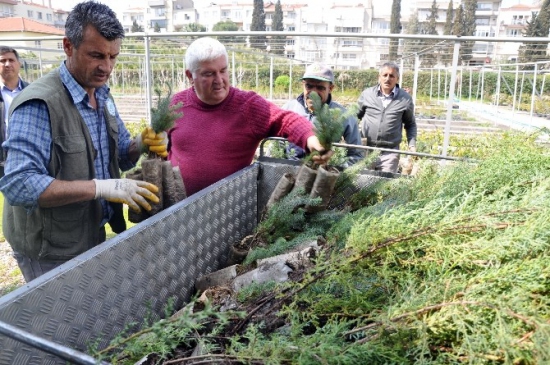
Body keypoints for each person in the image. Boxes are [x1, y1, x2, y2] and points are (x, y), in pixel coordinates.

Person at [0, 1, 166, 282]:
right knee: (58, 322)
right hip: (50, 249)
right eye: (96, 55)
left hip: (89, 232)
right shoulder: (39, 104)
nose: (107, 67)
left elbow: (119, 154)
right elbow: (19, 184)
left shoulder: (101, 94)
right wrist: (101, 188)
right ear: (68, 46)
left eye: (113, 56)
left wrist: (141, 143)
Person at [167, 37, 331, 197]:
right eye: (209, 74)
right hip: (177, 209)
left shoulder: (248, 107)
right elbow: (161, 146)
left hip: (228, 209)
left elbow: (286, 120)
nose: (219, 80)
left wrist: (310, 138)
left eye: (223, 70)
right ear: (190, 76)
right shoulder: (176, 104)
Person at [281, 63, 363, 168]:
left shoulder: (343, 116)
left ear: (331, 88)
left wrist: (333, 168)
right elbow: (274, 144)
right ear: (303, 84)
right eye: (309, 86)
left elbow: (356, 155)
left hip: (323, 176)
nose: (313, 92)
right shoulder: (289, 109)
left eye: (320, 87)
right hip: (288, 173)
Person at [357, 61, 417, 173]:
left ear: (397, 78)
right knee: (361, 182)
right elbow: (354, 116)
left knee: (385, 185)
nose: (387, 79)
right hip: (366, 149)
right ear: (379, 77)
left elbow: (410, 124)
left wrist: (412, 144)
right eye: (385, 75)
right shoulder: (367, 94)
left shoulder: (405, 99)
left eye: (392, 76)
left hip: (390, 152)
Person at [0, 46, 29, 177]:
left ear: (19, 64)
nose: (7, 64)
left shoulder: (33, 91)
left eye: (11, 60)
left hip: (28, 154)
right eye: (2, 61)